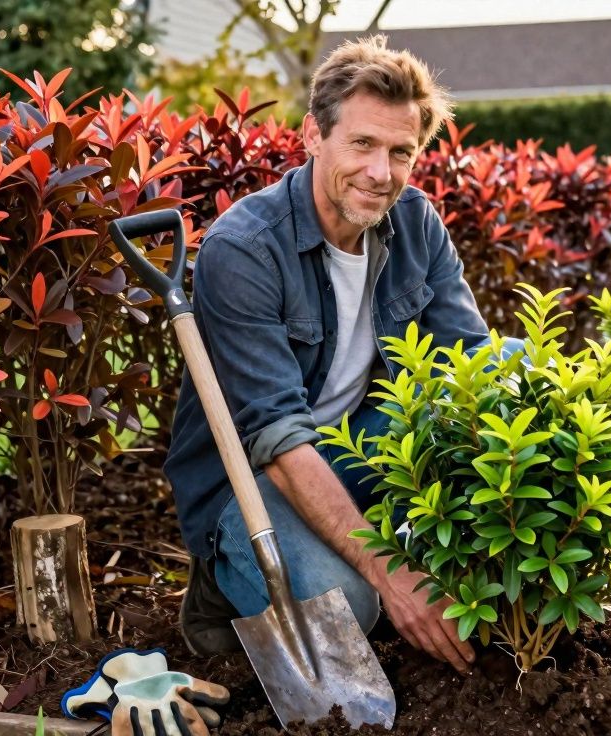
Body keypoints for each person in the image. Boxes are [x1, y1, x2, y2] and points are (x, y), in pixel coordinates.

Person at [164, 35, 487, 675]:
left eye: (401, 152)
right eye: (362, 144)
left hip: (354, 443)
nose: (380, 172)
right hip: (253, 478)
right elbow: (278, 440)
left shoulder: (415, 220)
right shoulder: (246, 249)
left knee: (511, 362)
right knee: (353, 606)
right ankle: (221, 584)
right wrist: (392, 571)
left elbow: (471, 362)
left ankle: (353, 533)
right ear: (314, 136)